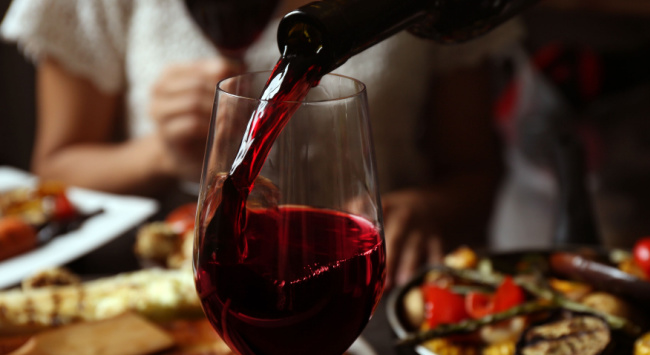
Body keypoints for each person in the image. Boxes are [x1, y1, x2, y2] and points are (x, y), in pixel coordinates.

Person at [0, 0, 523, 287]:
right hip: (169, 286)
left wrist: (427, 208)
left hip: (366, 290)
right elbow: (53, 170)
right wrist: (158, 154)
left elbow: (475, 172)